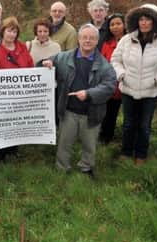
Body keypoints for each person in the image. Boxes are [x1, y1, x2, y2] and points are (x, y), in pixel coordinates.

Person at [41, 24, 116, 179]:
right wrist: (46, 63)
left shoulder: (104, 65)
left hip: (91, 112)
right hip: (69, 110)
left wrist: (89, 94)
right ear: (78, 39)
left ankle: (86, 168)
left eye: (92, 38)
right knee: (64, 143)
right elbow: (44, 64)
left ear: (97, 41)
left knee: (89, 145)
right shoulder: (63, 57)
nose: (87, 41)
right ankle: (62, 168)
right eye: (84, 37)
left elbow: (109, 86)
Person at [111, 4, 157, 165]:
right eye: (141, 19)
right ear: (136, 21)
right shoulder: (127, 40)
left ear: (155, 21)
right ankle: (126, 153)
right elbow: (115, 60)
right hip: (128, 89)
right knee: (128, 124)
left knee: (144, 126)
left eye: (148, 19)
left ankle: (141, 155)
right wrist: (121, 74)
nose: (144, 23)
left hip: (151, 92)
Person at [0, 16, 34, 160]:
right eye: (9, 31)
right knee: (5, 123)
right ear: (3, 32)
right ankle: (0, 153)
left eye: (14, 32)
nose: (11, 34)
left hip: (22, 94)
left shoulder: (22, 48)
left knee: (18, 122)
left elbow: (30, 66)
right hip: (5, 97)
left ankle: (14, 151)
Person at [99, 13, 127, 144]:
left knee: (130, 116)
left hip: (128, 83)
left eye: (118, 23)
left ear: (125, 24)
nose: (115, 27)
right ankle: (106, 138)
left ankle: (127, 141)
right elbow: (102, 63)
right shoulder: (107, 44)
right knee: (109, 113)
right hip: (110, 85)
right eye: (112, 24)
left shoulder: (130, 42)